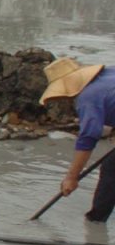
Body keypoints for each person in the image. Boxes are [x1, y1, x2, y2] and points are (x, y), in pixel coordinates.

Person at [39, 57, 115, 222]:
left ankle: (96, 222)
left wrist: (71, 177)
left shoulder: (88, 98)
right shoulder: (110, 73)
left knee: (111, 169)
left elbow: (88, 137)